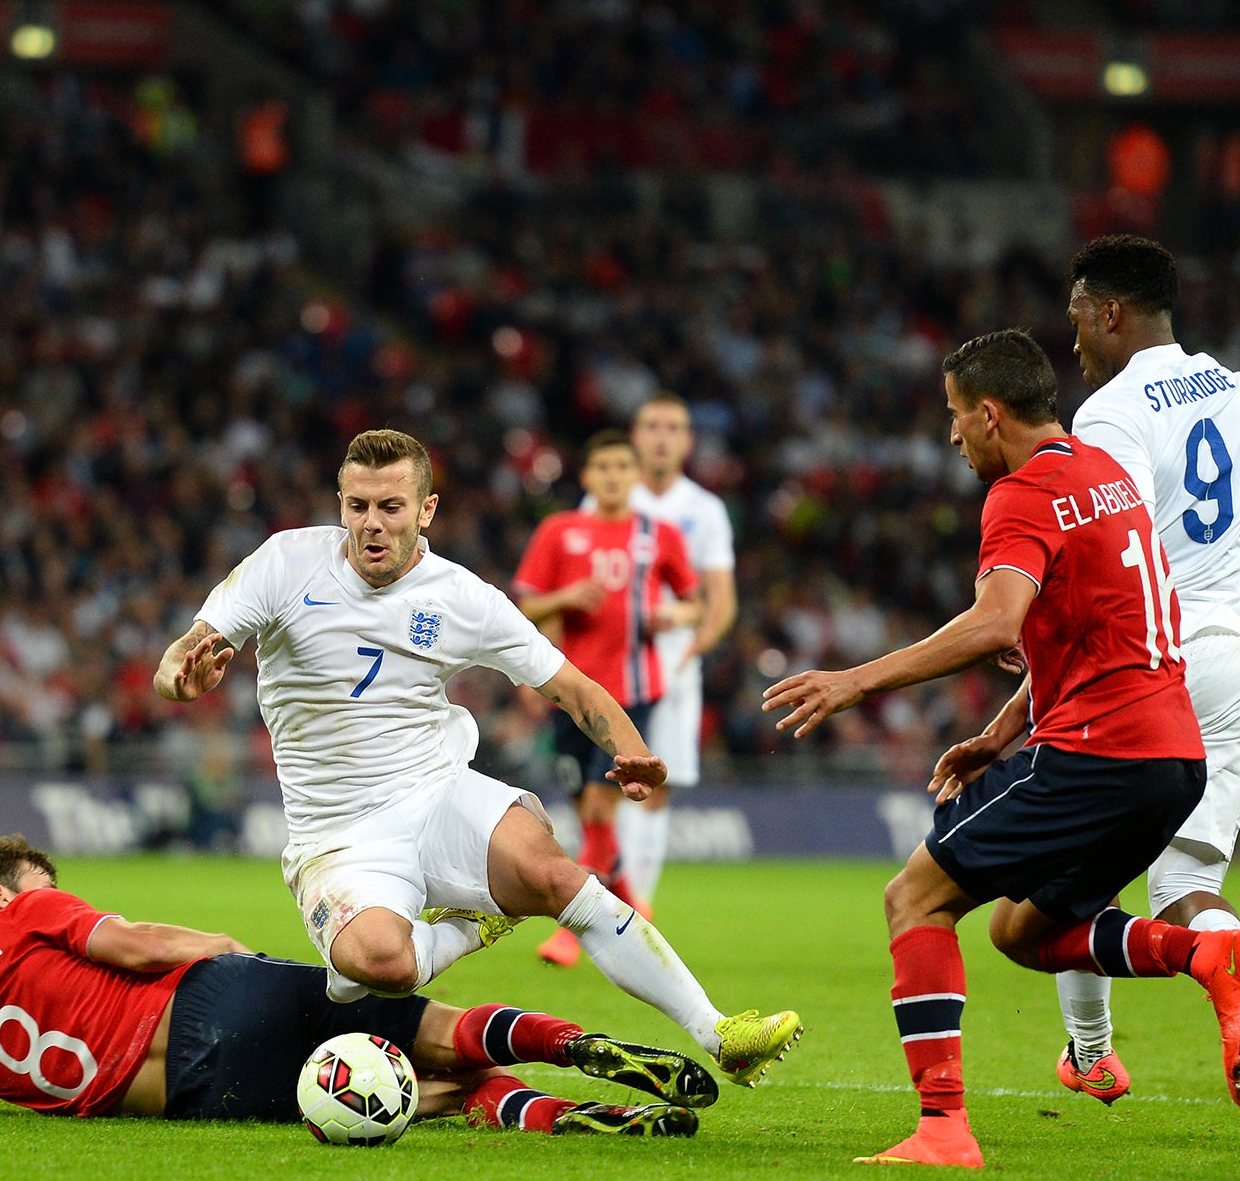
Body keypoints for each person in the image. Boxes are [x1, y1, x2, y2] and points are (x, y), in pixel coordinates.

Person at [762, 330, 1240, 1168]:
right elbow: (1097, 627)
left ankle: (942, 1129)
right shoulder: (1106, 476)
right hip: (1172, 758)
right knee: (1023, 932)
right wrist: (1000, 733)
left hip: (1096, 753)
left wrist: (855, 681)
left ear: (991, 413)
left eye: (957, 416)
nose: (953, 435)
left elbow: (995, 623)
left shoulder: (1022, 494)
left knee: (915, 900)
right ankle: (1206, 951)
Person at [155, 428, 798, 1088]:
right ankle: (473, 924)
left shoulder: (462, 598)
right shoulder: (286, 563)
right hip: (338, 833)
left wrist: (633, 751)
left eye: (391, 507)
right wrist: (180, 676)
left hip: (436, 794)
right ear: (341, 502)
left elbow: (569, 686)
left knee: (556, 876)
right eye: (357, 507)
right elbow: (188, 649)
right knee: (382, 966)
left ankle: (718, 1030)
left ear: (426, 510)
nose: (371, 525)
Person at [0, 835, 713, 1136]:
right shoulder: (27, 911)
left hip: (194, 1100)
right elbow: (129, 947)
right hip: (200, 1002)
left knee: (400, 1092)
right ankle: (573, 1046)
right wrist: (222, 947)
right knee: (431, 1028)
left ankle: (567, 1117)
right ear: (2, 896)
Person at [1044, 235, 1240, 1103]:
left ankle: (1090, 1053)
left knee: (1063, 878)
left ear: (1110, 312)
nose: (1071, 336)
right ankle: (1231, 961)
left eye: (1077, 315)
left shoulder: (1108, 414)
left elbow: (1119, 548)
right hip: (1231, 661)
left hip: (1146, 660)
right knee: (1187, 883)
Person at [518, 430, 698, 964]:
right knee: (588, 811)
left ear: (636, 475)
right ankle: (628, 898)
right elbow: (523, 610)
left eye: (624, 466)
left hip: (631, 693)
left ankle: (571, 931)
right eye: (604, 467)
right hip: (570, 691)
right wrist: (565, 598)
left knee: (600, 804)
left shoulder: (659, 534)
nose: (615, 476)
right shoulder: (559, 531)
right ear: (588, 477)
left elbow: (694, 603)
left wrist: (674, 616)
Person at [578, 394, 738, 918]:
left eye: (673, 427)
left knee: (655, 784)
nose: (662, 437)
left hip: (673, 665)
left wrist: (692, 648)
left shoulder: (704, 510)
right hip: (606, 664)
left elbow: (721, 601)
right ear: (636, 435)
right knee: (599, 783)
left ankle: (633, 903)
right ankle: (617, 892)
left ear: (688, 442)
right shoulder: (601, 501)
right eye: (652, 426)